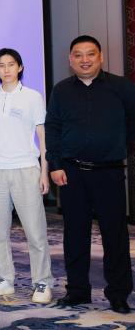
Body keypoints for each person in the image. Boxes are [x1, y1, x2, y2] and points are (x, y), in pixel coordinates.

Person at [46, 35, 135, 313]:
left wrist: (117, 147)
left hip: (108, 172)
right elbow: (53, 128)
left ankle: (118, 293)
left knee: (115, 234)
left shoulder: (121, 87)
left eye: (90, 54)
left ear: (101, 57)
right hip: (72, 173)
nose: (84, 60)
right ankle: (77, 291)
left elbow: (132, 123)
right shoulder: (61, 90)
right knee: (75, 235)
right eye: (78, 55)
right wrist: (56, 164)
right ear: (70, 59)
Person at [0, 48, 53, 304]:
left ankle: (42, 282)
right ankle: (4, 280)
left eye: (11, 64)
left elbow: (42, 136)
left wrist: (43, 171)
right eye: (1, 65)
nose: (7, 69)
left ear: (20, 67)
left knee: (35, 231)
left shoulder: (33, 97)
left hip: (26, 168)